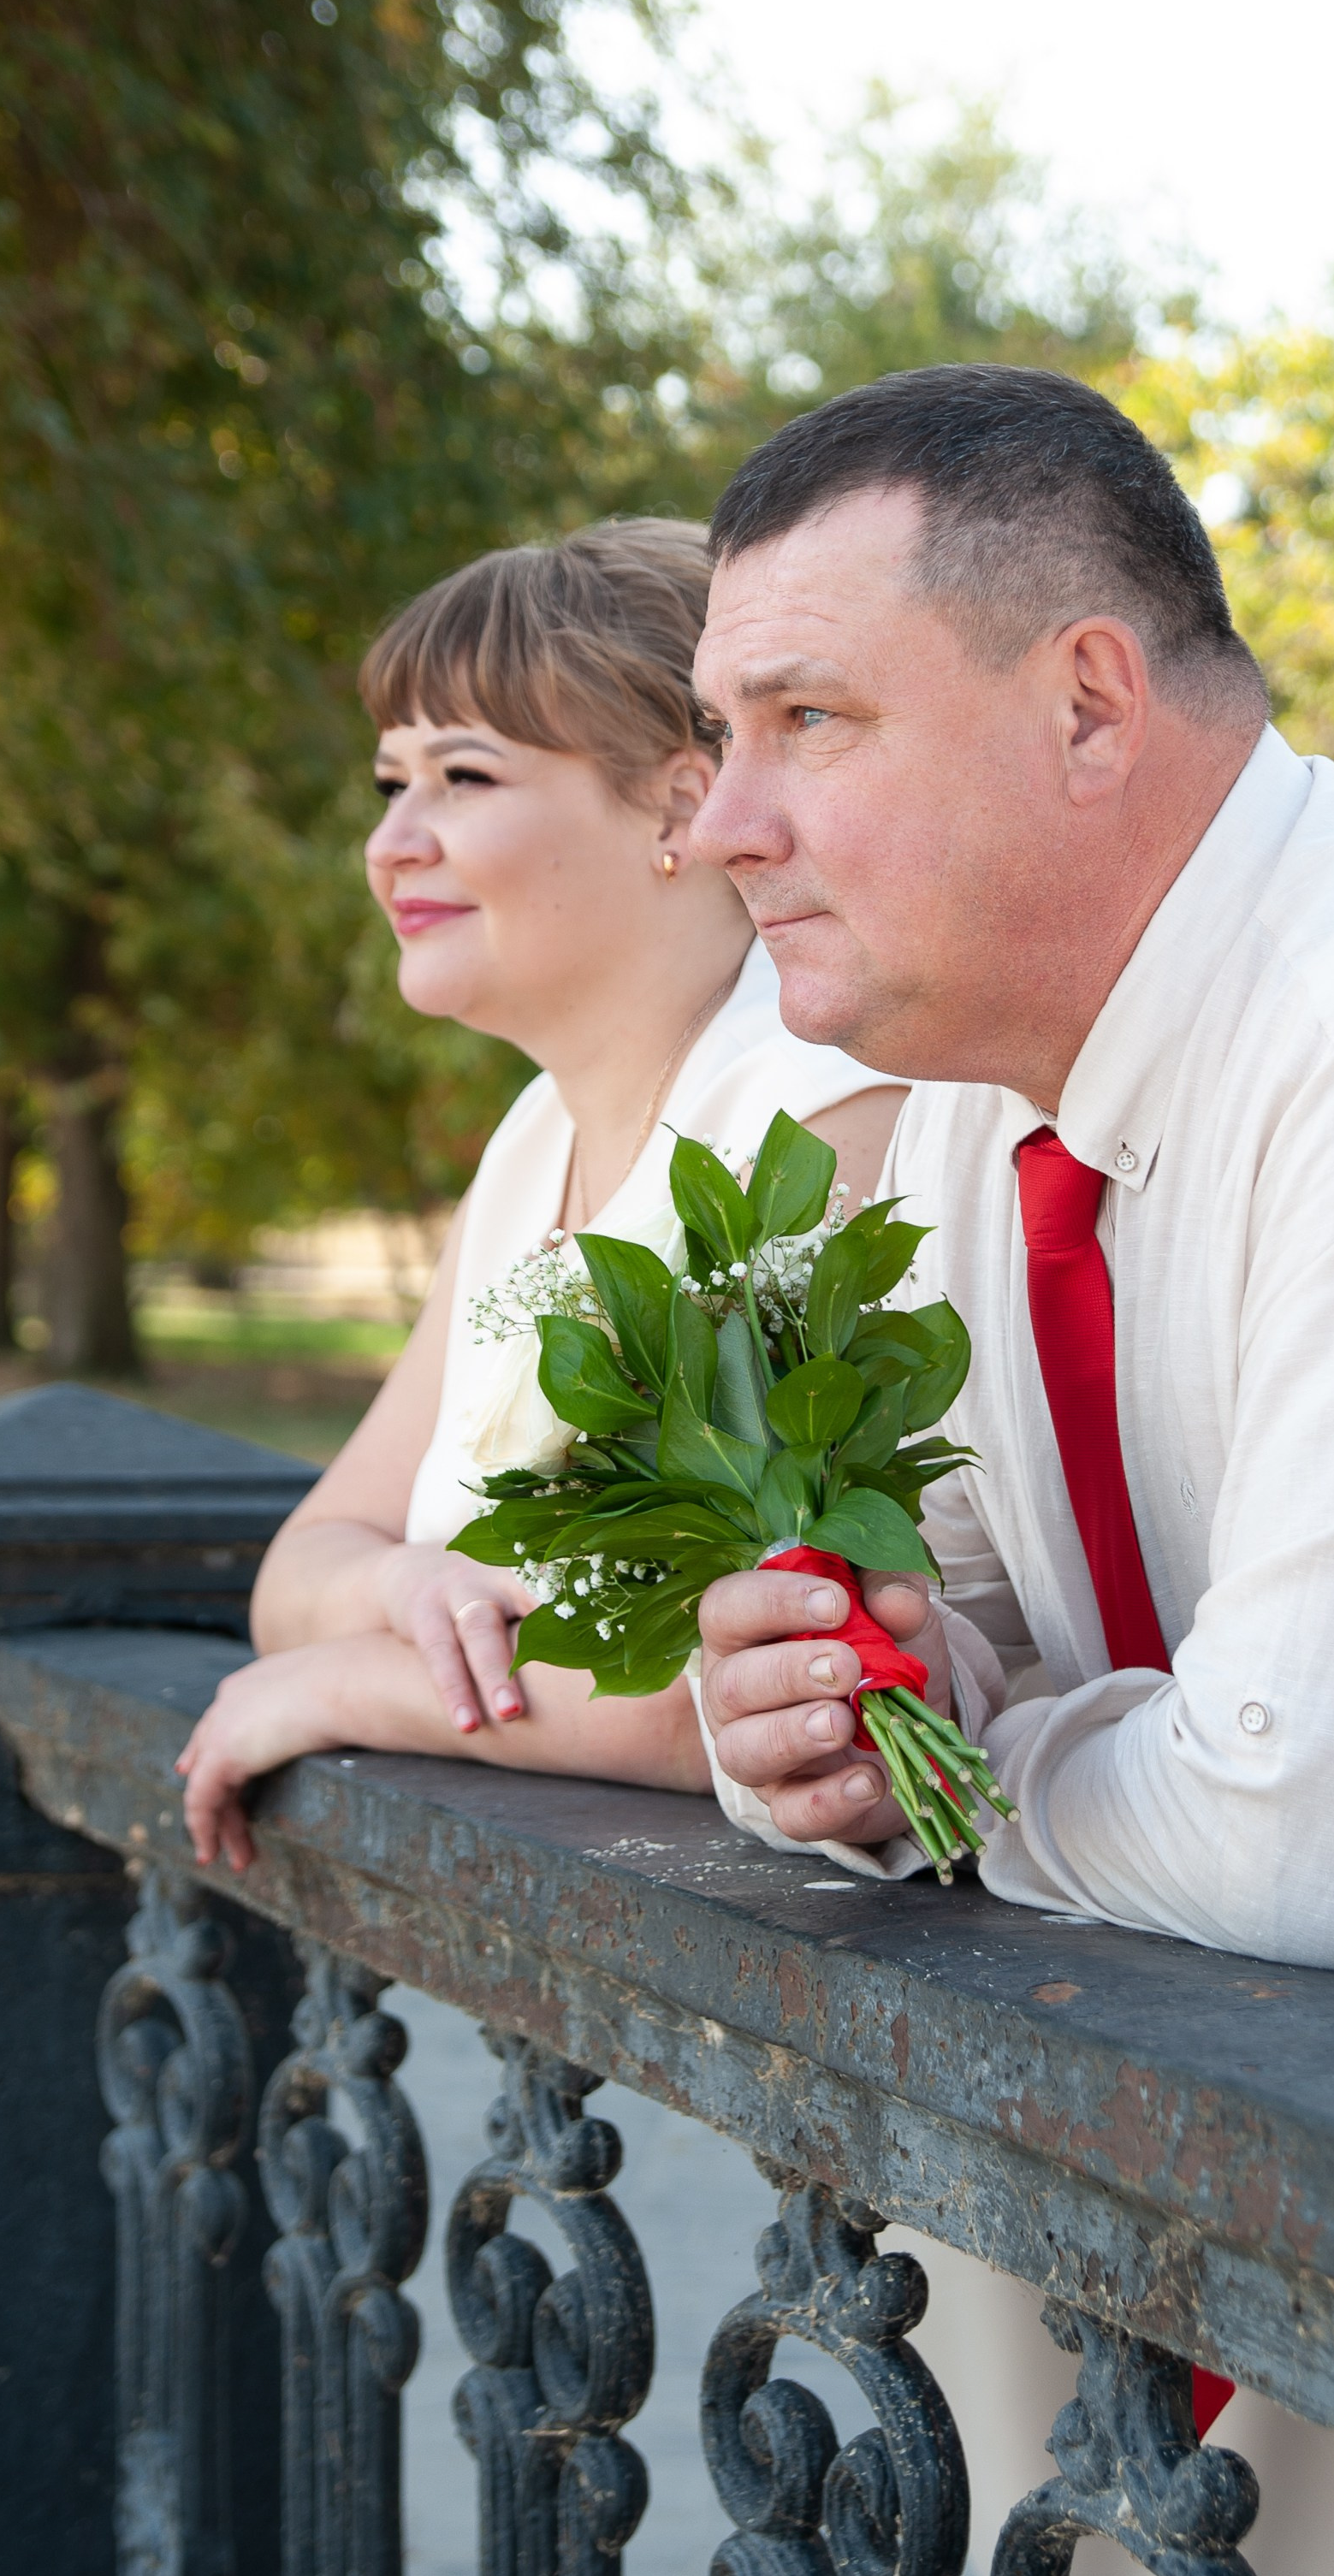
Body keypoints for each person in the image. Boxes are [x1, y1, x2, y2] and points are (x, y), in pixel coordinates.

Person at [684, 360, 1334, 2574]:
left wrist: (981, 1767)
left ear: (1085, 699)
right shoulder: (985, 1114)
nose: (716, 824)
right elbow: (946, 1641)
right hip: (1277, 2327)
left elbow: (1314, 1841)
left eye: (805, 724)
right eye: (716, 740)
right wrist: (793, 1711)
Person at [178, 520, 903, 1872]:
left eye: (461, 775)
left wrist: (345, 1685)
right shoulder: (532, 1141)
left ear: (682, 808)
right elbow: (304, 1565)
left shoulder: (821, 1123)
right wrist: (402, 1584)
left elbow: (772, 1698)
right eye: (390, 781)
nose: (392, 843)